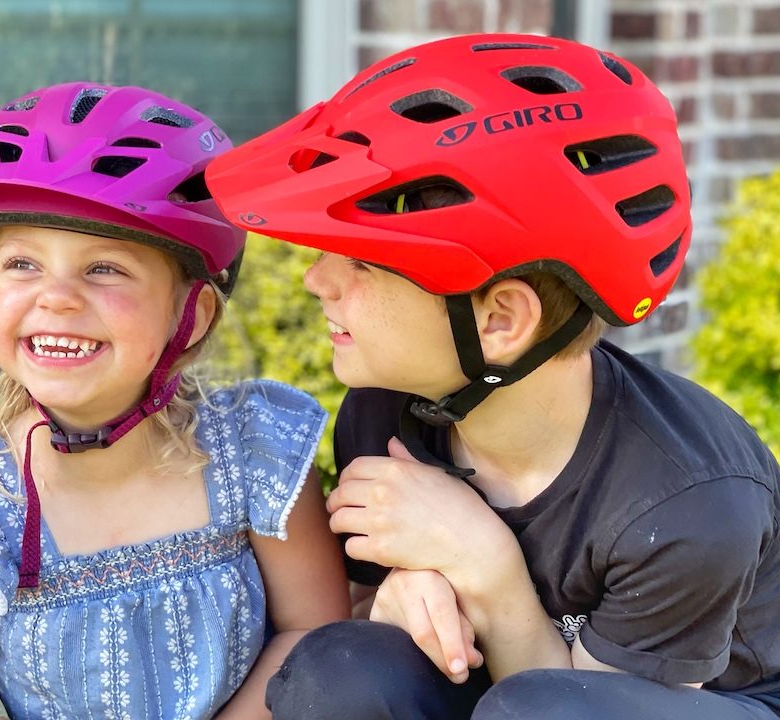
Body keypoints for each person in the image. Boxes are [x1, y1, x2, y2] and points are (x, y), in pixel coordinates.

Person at [205, 33, 780, 720]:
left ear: (501, 320)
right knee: (340, 670)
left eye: (361, 262)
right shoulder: (385, 412)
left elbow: (576, 704)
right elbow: (369, 625)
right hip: (510, 683)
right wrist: (395, 599)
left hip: (704, 703)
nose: (315, 280)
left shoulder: (686, 504)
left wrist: (486, 567)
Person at [0, 81, 350, 720]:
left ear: (192, 314)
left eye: (104, 268)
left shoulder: (252, 454)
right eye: (22, 264)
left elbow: (311, 637)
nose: (56, 297)